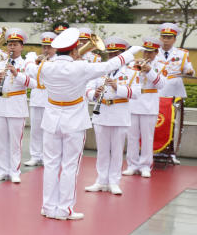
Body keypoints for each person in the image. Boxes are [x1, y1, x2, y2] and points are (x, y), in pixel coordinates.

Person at [36, 28, 140, 220]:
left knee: (50, 165)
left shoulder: (44, 67)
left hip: (51, 120)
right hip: (74, 121)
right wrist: (132, 51)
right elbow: (112, 64)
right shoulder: (81, 67)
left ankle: (48, 206)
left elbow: (31, 73)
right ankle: (64, 209)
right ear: (75, 51)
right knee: (69, 166)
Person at [84, 37, 138, 195]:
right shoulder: (100, 70)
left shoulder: (132, 72)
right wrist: (94, 94)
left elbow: (136, 92)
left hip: (120, 113)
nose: (113, 57)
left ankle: (114, 181)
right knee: (102, 150)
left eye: (117, 53)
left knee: (116, 150)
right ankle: (101, 180)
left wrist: (118, 87)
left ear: (123, 54)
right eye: (111, 54)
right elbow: (87, 89)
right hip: (102, 113)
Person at [0, 28, 35, 184]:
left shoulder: (26, 64)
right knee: (1, 141)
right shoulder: (0, 64)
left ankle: (15, 171)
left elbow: (34, 83)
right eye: (9, 44)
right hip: (1, 106)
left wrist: (17, 74)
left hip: (17, 107)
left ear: (22, 47)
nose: (12, 48)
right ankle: (2, 170)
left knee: (15, 142)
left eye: (15, 44)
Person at [124, 36, 164, 178]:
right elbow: (127, 80)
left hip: (149, 105)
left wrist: (150, 71)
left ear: (156, 53)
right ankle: (132, 165)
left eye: (150, 52)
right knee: (132, 136)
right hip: (134, 104)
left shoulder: (160, 65)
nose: (147, 55)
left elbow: (161, 85)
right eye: (145, 52)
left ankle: (146, 165)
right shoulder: (133, 63)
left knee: (147, 137)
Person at [154, 22, 193, 163]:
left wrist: (189, 71)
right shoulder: (153, 52)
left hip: (174, 93)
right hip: (156, 93)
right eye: (163, 36)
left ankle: (171, 153)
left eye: (169, 37)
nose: (165, 40)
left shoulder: (182, 53)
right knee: (155, 122)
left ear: (174, 39)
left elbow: (189, 68)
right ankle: (152, 149)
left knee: (173, 124)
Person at [23, 32, 56, 167]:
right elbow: (29, 72)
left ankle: (48, 156)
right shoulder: (39, 60)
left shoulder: (58, 62)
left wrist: (33, 62)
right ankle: (35, 155)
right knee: (35, 129)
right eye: (44, 47)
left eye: (49, 47)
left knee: (50, 130)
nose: (46, 50)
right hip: (37, 97)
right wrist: (35, 62)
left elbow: (35, 71)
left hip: (50, 99)